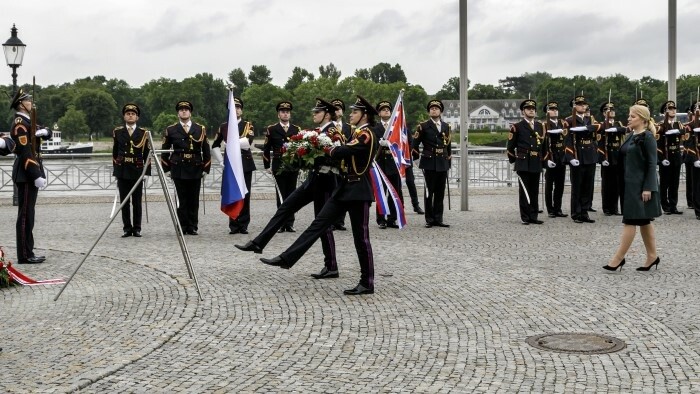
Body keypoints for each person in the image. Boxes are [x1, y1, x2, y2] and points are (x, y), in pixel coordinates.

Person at [258, 95, 378, 295]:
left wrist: (323, 147)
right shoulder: (358, 133)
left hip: (358, 190)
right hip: (345, 188)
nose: (351, 114)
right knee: (318, 224)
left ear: (364, 115)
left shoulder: (366, 134)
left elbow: (343, 151)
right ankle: (287, 258)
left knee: (361, 238)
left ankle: (367, 282)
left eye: (355, 112)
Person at [236, 98, 344, 280]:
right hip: (314, 179)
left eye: (317, 112)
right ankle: (258, 243)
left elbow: (339, 155)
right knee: (286, 206)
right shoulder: (318, 131)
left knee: (322, 224)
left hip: (326, 181)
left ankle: (330, 265)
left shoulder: (333, 131)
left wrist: (317, 156)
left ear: (326, 114)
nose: (313, 114)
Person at [603, 104, 662, 272]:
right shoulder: (630, 136)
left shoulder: (647, 137)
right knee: (643, 221)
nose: (629, 118)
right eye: (629, 115)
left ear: (643, 119)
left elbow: (652, 164)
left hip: (640, 187)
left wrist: (648, 187)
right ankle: (652, 256)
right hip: (627, 185)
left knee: (629, 221)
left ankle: (618, 259)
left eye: (633, 116)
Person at [10, 88, 52, 264]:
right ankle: (24, 255)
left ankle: (29, 250)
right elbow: (25, 151)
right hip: (26, 173)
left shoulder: (29, 121)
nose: (31, 103)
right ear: (21, 104)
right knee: (25, 215)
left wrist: (45, 132)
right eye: (28, 101)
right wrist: (35, 174)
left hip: (31, 171)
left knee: (30, 214)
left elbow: (46, 131)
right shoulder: (20, 123)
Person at [161, 100, 211, 235]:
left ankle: (193, 226)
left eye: (186, 109)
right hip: (179, 168)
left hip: (195, 167)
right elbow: (164, 150)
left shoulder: (200, 129)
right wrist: (166, 169)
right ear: (178, 113)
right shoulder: (171, 129)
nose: (184, 111)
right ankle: (182, 226)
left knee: (194, 199)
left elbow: (206, 150)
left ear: (190, 112)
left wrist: (206, 168)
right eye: (181, 109)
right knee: (181, 200)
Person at [213, 97, 255, 234]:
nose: (236, 110)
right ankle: (233, 224)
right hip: (230, 165)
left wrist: (231, 143)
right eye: (233, 107)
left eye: (238, 107)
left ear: (241, 110)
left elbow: (247, 142)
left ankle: (243, 224)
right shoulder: (224, 126)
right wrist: (220, 161)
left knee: (245, 194)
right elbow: (214, 145)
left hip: (245, 163)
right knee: (231, 193)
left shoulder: (248, 125)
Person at [261, 101, 301, 233]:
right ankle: (280, 224)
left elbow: (301, 148)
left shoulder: (296, 129)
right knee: (281, 196)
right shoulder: (272, 129)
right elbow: (266, 149)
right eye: (283, 112)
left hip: (292, 166)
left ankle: (290, 223)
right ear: (278, 114)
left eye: (287, 112)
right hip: (278, 165)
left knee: (292, 195)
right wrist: (267, 165)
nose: (285, 114)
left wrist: (300, 164)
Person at [112, 103, 151, 238]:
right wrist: (116, 171)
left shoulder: (143, 133)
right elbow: (115, 153)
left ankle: (137, 228)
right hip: (123, 170)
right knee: (124, 202)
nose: (130, 115)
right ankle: (127, 228)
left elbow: (147, 154)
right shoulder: (117, 132)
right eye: (128, 113)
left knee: (137, 202)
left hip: (137, 170)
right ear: (124, 116)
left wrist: (146, 173)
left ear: (137, 117)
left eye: (133, 114)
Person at [412, 99, 451, 228]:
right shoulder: (423, 126)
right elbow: (415, 144)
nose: (434, 110)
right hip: (429, 161)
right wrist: (417, 160)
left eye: (436, 108)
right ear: (429, 111)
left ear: (440, 111)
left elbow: (448, 146)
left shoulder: (446, 126)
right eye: (432, 108)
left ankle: (438, 218)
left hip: (442, 162)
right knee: (429, 192)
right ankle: (429, 219)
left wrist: (448, 161)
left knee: (440, 192)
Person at [506, 99, 544, 224]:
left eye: (533, 109)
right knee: (525, 191)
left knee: (534, 190)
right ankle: (525, 217)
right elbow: (510, 147)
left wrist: (543, 160)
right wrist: (514, 161)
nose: (531, 110)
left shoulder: (540, 126)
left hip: (535, 161)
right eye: (528, 109)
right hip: (523, 162)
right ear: (523, 111)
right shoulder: (517, 127)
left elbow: (543, 146)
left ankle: (534, 216)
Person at [564, 95, 601, 223]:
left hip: (590, 155)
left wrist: (587, 128)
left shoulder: (590, 119)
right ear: (574, 106)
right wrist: (570, 157)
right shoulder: (568, 121)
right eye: (579, 104)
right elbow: (566, 140)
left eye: (584, 104)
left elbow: (599, 128)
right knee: (577, 187)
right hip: (578, 154)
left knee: (587, 186)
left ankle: (585, 212)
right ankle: (576, 213)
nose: (582, 106)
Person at [374, 100, 403, 229]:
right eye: (383, 109)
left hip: (393, 163)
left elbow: (401, 143)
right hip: (380, 162)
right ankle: (381, 219)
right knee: (381, 192)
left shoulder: (395, 127)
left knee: (393, 193)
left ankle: (392, 219)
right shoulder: (375, 128)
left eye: (388, 109)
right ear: (379, 113)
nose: (386, 111)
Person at [597, 102, 627, 216]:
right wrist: (602, 158)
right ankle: (607, 208)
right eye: (609, 110)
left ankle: (615, 208)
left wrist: (615, 129)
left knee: (617, 185)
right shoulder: (602, 125)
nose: (612, 111)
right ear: (604, 113)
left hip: (618, 158)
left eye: (613, 109)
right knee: (607, 185)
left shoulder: (618, 123)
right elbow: (599, 143)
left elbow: (624, 130)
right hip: (607, 157)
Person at [656, 100, 685, 214]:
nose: (673, 111)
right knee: (665, 183)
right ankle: (665, 206)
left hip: (676, 157)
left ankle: (673, 205)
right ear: (665, 112)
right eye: (670, 109)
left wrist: (677, 131)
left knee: (674, 183)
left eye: (674, 109)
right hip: (666, 157)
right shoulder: (661, 126)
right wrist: (662, 158)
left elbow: (684, 131)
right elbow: (658, 145)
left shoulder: (679, 124)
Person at [541, 101, 568, 218]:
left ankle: (558, 208)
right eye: (552, 109)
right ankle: (550, 209)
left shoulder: (562, 123)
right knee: (549, 186)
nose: (555, 110)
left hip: (561, 157)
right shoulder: (544, 125)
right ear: (547, 112)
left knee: (560, 185)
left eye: (556, 109)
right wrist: (546, 159)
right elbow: (543, 144)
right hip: (551, 156)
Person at [330, 98, 353, 231]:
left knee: (344, 192)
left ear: (343, 112)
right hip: (332, 165)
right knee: (333, 193)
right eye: (334, 109)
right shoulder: (328, 127)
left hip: (346, 166)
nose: (337, 111)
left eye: (339, 109)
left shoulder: (349, 127)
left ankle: (340, 221)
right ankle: (331, 220)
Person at [684, 102, 700, 219]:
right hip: (697, 159)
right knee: (697, 186)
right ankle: (698, 210)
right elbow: (688, 143)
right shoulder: (689, 126)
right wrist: (695, 158)